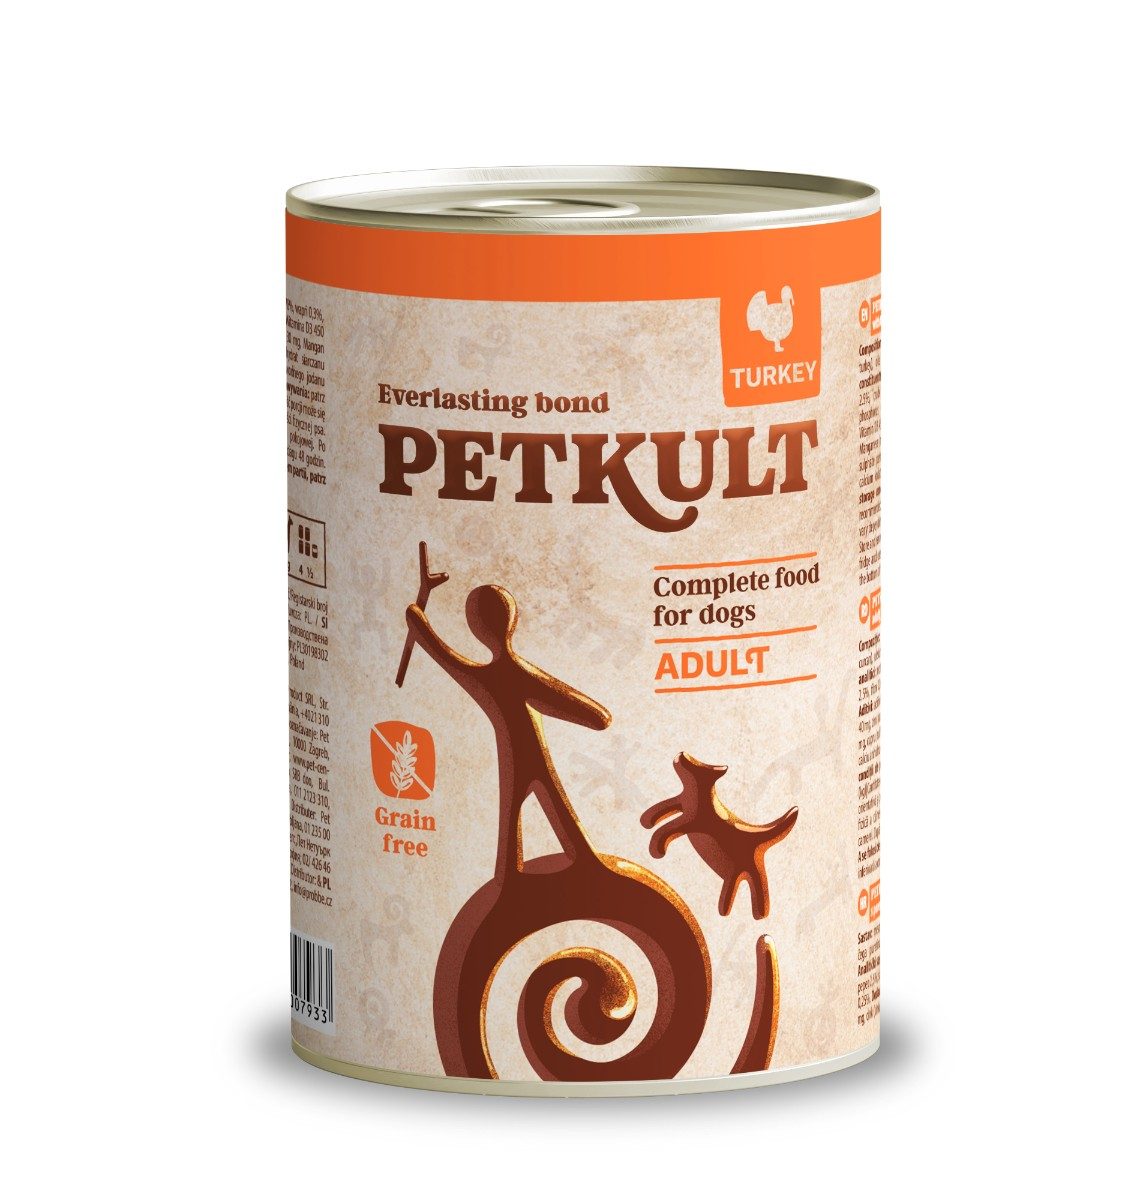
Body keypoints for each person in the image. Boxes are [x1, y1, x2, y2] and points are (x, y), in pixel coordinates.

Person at [406, 584, 610, 883]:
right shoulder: (516, 671)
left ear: (476, 628)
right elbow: (565, 702)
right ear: (511, 621)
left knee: (517, 815)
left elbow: (444, 656)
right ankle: (545, 872)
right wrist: (596, 717)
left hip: (515, 758)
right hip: (531, 756)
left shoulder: (483, 676)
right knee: (552, 809)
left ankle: (515, 877)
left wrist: (417, 620)